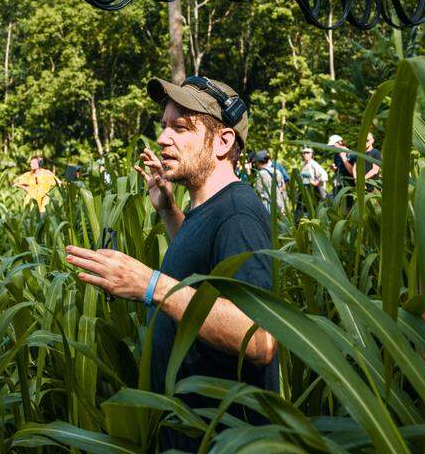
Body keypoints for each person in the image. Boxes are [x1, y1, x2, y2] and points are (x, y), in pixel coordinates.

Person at [64, 75, 277, 451]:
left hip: (224, 439)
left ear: (223, 142)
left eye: (180, 127)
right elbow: (204, 273)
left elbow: (259, 339)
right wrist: (168, 211)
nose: (162, 138)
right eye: (164, 126)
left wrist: (150, 285)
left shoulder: (238, 212)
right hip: (189, 431)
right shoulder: (207, 209)